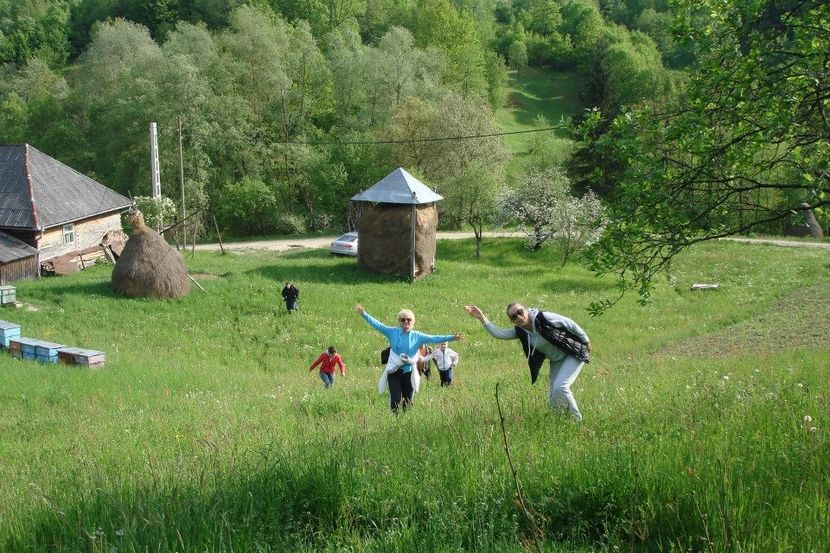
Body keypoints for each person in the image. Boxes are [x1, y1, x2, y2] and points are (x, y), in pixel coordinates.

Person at [465, 303, 591, 421]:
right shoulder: (521, 332)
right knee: (553, 396)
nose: (519, 317)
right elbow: (500, 334)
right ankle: (557, 421)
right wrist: (482, 318)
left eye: (520, 312)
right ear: (512, 321)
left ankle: (577, 421)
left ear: (525, 310)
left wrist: (585, 341)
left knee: (560, 387)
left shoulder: (544, 317)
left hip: (573, 353)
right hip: (557, 360)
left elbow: (570, 323)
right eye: (514, 316)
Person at [355, 303, 464, 413]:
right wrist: (364, 314)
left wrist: (452, 337)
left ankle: (405, 421)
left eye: (408, 319)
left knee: (408, 401)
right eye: (403, 320)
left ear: (413, 322)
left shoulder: (418, 336)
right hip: (394, 371)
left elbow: (434, 338)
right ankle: (395, 420)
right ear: (399, 321)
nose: (406, 322)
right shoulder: (392, 332)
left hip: (409, 372)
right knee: (395, 399)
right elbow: (378, 325)